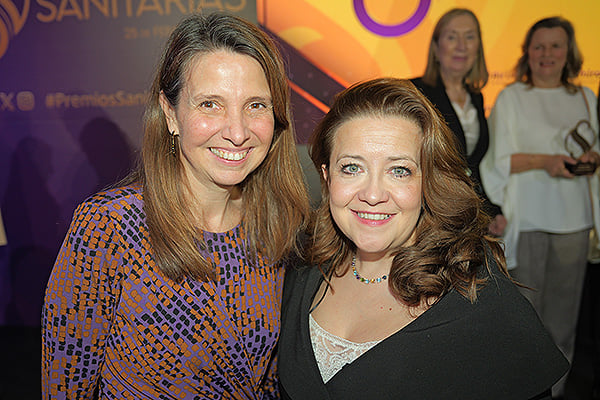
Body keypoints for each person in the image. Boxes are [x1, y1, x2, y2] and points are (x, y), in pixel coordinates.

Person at [42, 12, 310, 399]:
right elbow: (65, 386)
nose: (237, 132)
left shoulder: (278, 225)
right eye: (210, 105)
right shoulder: (110, 226)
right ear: (171, 114)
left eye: (255, 105)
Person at [278, 78, 568, 400]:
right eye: (351, 168)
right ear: (326, 176)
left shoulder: (479, 298)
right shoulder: (298, 275)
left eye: (399, 170)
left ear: (428, 180)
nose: (373, 194)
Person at [480, 16, 600, 398]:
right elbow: (496, 160)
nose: (547, 54)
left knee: (563, 322)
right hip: (528, 219)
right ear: (527, 53)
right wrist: (545, 162)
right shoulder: (512, 97)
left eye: (556, 46)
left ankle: (557, 392)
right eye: (539, 46)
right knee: (526, 318)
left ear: (569, 53)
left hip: (575, 221)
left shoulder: (586, 98)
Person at [411, 8, 505, 236]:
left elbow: (470, 167)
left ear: (478, 49)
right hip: (427, 217)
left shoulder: (476, 96)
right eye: (452, 37)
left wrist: (491, 210)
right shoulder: (414, 92)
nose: (461, 45)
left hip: (465, 217)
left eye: (470, 37)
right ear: (435, 48)